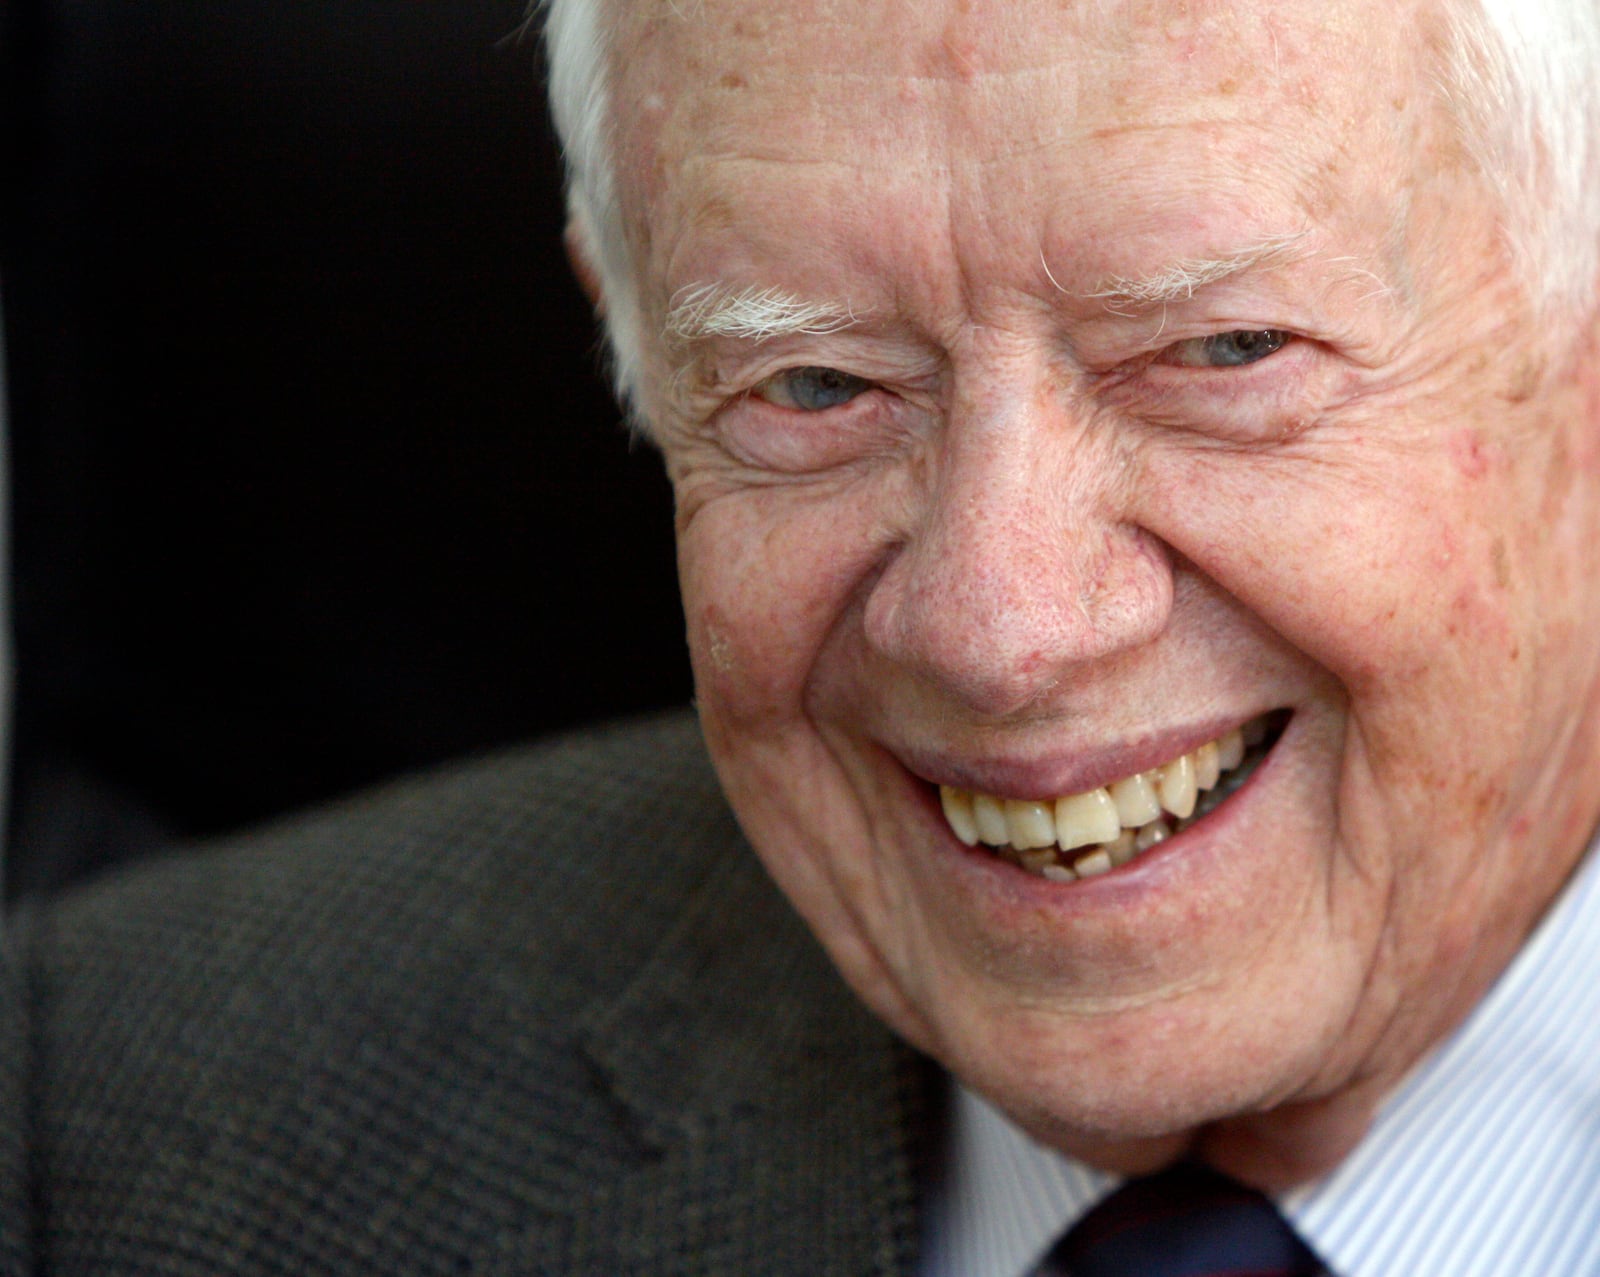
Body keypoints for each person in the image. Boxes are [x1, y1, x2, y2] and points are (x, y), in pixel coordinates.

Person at [6, 0, 1600, 1272]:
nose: (1000, 627)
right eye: (816, 388)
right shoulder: (95, 1131)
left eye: (1223, 350)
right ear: (624, 342)